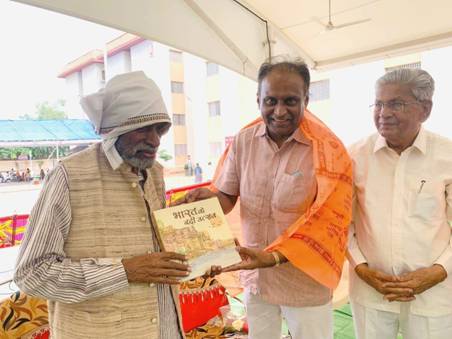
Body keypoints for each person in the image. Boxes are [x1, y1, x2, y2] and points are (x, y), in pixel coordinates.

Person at [174, 60, 353, 339]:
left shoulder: (328, 151)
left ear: (306, 99)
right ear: (258, 99)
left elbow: (328, 223)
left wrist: (273, 258)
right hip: (255, 278)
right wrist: (205, 202)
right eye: (270, 100)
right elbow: (226, 197)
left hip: (304, 281)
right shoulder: (244, 141)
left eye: (291, 101)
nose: (279, 111)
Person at [14, 71, 190, 339]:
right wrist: (124, 271)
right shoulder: (70, 176)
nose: (155, 140)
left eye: (160, 129)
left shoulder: (155, 173)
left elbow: (156, 255)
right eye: (144, 128)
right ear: (117, 128)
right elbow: (32, 273)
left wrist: (201, 253)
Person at [347, 68, 452, 339]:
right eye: (379, 103)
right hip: (370, 290)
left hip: (434, 294)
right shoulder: (354, 156)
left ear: (425, 109)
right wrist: (361, 268)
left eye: (396, 104)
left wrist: (439, 271)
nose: (384, 113)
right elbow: (342, 224)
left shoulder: (447, 157)